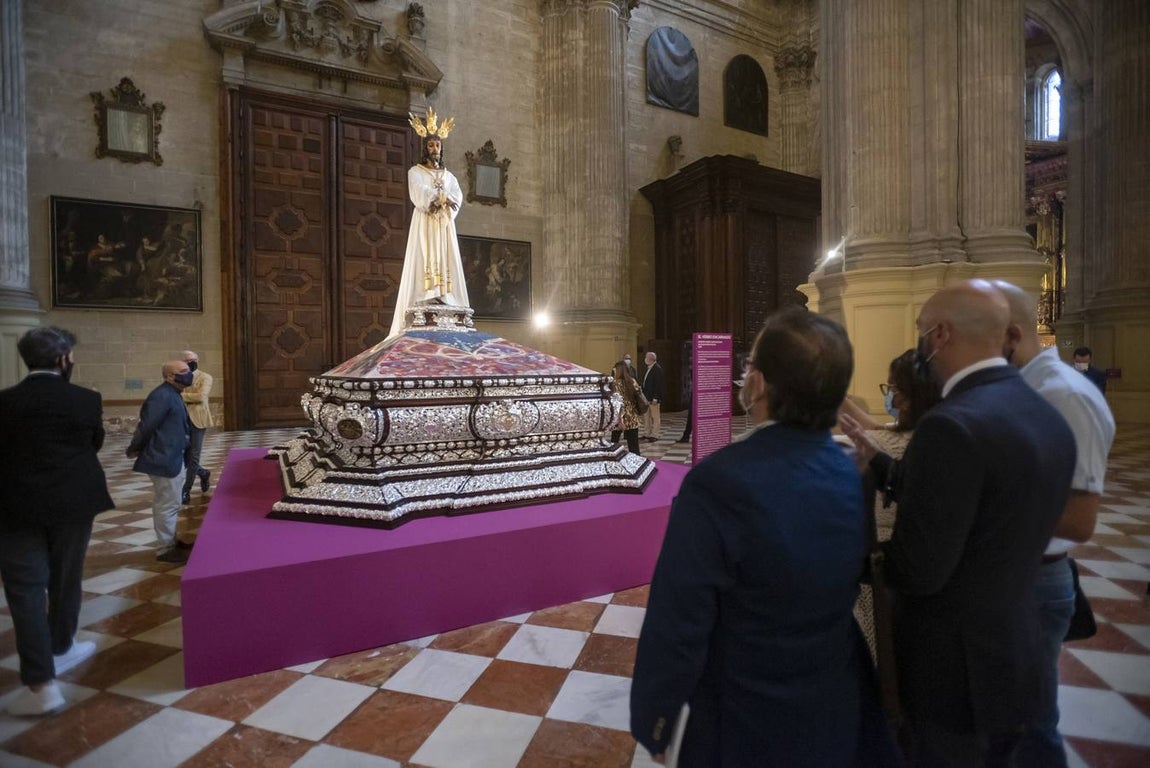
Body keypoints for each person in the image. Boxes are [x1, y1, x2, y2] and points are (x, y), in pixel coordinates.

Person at [632, 308, 898, 767]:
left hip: (744, 714)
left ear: (758, 385)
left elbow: (679, 617)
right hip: (836, 699)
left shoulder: (717, 482)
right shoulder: (851, 469)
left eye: (749, 367)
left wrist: (656, 716)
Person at [841, 279, 1077, 766]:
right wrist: (885, 466)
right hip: (1021, 652)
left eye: (922, 331)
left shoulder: (948, 426)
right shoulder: (1043, 410)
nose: (920, 343)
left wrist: (847, 555)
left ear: (941, 336)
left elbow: (919, 570)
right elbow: (985, 502)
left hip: (955, 676)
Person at [997, 282, 1116, 767]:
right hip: (1009, 575)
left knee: (1031, 722)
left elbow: (1078, 520)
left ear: (1008, 335)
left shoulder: (1064, 396)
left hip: (1035, 577)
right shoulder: (1024, 388)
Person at [0, 328, 113, 715]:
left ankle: (42, 685)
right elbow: (93, 443)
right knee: (66, 576)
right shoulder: (84, 399)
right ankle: (62, 645)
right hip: (72, 503)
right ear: (64, 359)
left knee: (25, 592)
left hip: (13, 506)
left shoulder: (5, 402)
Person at [840, 349, 942, 658]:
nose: (892, 400)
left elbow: (879, 440)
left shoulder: (920, 443)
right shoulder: (931, 433)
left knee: (883, 652)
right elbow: (878, 432)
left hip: (889, 561)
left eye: (896, 390)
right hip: (900, 564)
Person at [389, 108, 470, 338]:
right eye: (431, 145)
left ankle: (445, 294)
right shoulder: (415, 172)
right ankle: (427, 293)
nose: (434, 149)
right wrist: (435, 198)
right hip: (426, 221)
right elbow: (418, 192)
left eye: (438, 145)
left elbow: (457, 195)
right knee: (426, 254)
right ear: (425, 147)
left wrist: (448, 200)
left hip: (443, 224)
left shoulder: (448, 175)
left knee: (445, 255)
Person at [128, 360, 194, 564]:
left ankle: (171, 540)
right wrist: (134, 447)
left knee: (171, 501)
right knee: (166, 503)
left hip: (172, 455)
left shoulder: (172, 394)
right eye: (182, 371)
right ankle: (165, 549)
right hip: (163, 457)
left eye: (188, 370)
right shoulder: (161, 396)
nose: (188, 373)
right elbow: (146, 425)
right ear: (169, 377)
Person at [179, 349, 214, 504]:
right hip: (180, 421)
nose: (190, 362)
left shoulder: (205, 377)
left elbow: (201, 396)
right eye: (187, 360)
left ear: (197, 360)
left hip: (197, 420)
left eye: (192, 360)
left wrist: (180, 396)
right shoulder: (179, 377)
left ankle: (185, 490)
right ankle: (203, 473)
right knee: (185, 458)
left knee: (193, 456)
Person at [609, 361, 643, 456]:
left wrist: (620, 420)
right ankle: (636, 463)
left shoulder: (614, 384)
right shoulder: (632, 381)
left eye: (614, 369)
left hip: (619, 417)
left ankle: (613, 462)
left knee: (614, 442)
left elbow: (617, 403)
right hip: (632, 416)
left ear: (617, 370)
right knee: (634, 445)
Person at [641, 351, 664, 442]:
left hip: (653, 398)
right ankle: (647, 433)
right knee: (646, 417)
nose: (645, 359)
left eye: (646, 357)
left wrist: (656, 397)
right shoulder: (648, 368)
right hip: (646, 397)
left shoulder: (657, 369)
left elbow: (659, 385)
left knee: (655, 417)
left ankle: (655, 434)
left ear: (651, 359)